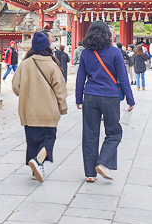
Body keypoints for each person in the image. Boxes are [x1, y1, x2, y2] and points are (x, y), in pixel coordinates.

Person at [75, 21, 135, 182]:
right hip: (110, 96)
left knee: (89, 134)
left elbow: (81, 77)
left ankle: (89, 173)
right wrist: (130, 99)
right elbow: (122, 78)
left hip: (89, 96)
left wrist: (78, 97)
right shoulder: (115, 52)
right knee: (114, 132)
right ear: (106, 35)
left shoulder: (86, 53)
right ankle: (102, 163)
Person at [13, 31, 69, 182]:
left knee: (32, 140)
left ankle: (35, 168)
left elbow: (16, 88)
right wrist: (63, 107)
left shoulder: (24, 64)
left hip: (28, 110)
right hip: (48, 110)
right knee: (48, 139)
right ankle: (38, 163)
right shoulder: (51, 65)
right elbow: (60, 89)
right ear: (47, 47)